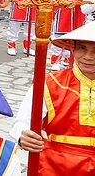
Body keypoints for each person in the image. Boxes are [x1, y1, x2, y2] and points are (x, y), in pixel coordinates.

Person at [10, 20, 95, 173]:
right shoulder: (51, 83)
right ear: (73, 49)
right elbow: (22, 121)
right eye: (82, 48)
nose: (88, 57)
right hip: (53, 167)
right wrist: (24, 135)